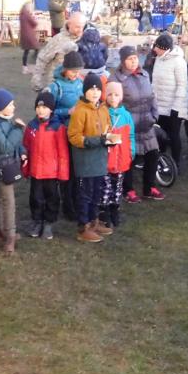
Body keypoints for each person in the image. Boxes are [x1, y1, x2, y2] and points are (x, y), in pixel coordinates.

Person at [68, 75, 116, 241]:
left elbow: (107, 130)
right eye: (91, 89)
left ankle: (94, 221)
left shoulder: (103, 109)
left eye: (98, 89)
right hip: (86, 162)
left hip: (100, 161)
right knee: (85, 195)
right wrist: (98, 141)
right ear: (85, 91)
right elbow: (74, 137)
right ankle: (83, 227)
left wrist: (110, 140)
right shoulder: (80, 111)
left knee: (96, 194)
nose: (95, 93)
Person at [113, 46, 162, 203]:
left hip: (147, 122)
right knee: (128, 158)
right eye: (129, 59)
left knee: (153, 154)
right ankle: (128, 190)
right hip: (129, 126)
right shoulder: (116, 79)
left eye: (135, 58)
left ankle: (149, 188)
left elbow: (152, 96)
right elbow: (114, 103)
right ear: (123, 61)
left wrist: (154, 115)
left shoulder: (144, 74)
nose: (133, 61)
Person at [22, 91, 68, 241]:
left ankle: (48, 222)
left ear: (51, 109)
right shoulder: (31, 126)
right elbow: (26, 147)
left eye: (44, 107)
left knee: (52, 198)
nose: (41, 110)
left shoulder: (57, 128)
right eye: (38, 107)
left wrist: (62, 174)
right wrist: (26, 169)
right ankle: (37, 221)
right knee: (35, 198)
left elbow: (63, 153)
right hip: (36, 171)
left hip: (51, 173)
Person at [0, 89, 26, 255]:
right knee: (8, 202)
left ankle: (0, 230)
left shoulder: (6, 120)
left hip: (8, 166)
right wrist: (18, 129)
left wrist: (22, 151)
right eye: (10, 104)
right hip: (1, 169)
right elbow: (5, 146)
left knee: (1, 200)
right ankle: (10, 236)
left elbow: (15, 143)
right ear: (0, 107)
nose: (14, 107)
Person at [150, 33, 188, 170]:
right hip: (159, 106)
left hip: (173, 107)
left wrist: (176, 108)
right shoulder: (158, 59)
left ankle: (176, 164)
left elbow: (182, 85)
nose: (154, 49)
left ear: (164, 48)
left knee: (173, 136)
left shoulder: (179, 62)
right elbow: (155, 83)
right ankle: (161, 162)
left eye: (157, 47)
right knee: (160, 135)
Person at [101, 80, 135, 229]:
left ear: (121, 96)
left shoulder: (126, 116)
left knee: (118, 187)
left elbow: (131, 136)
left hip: (121, 158)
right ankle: (105, 211)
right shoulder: (102, 114)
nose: (113, 98)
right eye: (110, 94)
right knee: (106, 187)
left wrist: (131, 152)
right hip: (106, 159)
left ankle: (115, 209)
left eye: (116, 95)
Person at [32, 12, 86, 91]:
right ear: (69, 24)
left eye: (82, 27)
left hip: (75, 87)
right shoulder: (58, 40)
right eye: (77, 27)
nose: (80, 30)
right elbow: (42, 59)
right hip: (56, 85)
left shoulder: (85, 39)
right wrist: (37, 81)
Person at [19, 2, 41, 70]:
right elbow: (34, 23)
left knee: (27, 50)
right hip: (29, 35)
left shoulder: (22, 14)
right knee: (36, 48)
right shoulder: (27, 14)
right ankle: (32, 64)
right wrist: (34, 17)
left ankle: (25, 66)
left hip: (25, 34)